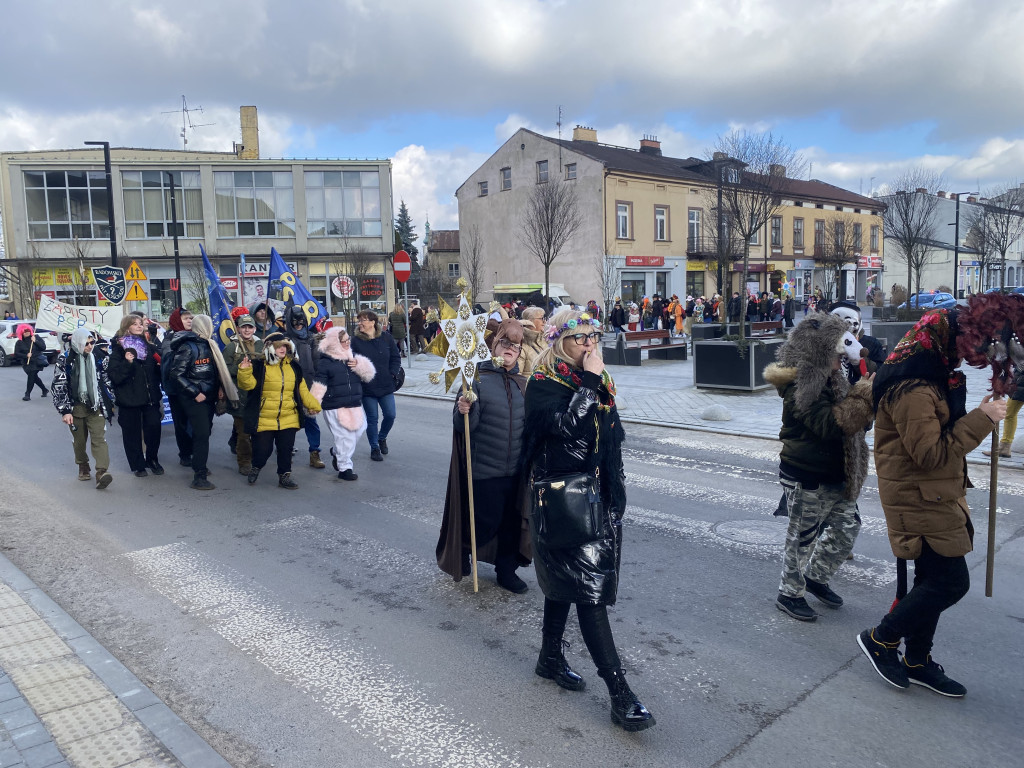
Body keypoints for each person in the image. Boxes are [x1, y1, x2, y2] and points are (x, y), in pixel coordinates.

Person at [857, 310, 1006, 697]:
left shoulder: (931, 376)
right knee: (950, 582)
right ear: (943, 341)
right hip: (918, 496)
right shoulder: (913, 389)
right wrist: (983, 419)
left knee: (931, 581)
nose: (967, 352)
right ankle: (881, 638)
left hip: (933, 494)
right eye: (964, 344)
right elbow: (929, 454)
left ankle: (917, 660)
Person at [522, 308, 655, 732]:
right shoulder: (543, 384)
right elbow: (563, 428)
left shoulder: (597, 385)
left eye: (593, 338)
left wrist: (617, 494)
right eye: (581, 339)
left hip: (594, 497)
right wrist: (591, 382)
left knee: (567, 582)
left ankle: (548, 658)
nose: (590, 346)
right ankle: (620, 694)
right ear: (561, 342)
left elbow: (610, 441)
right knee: (590, 591)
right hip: (563, 500)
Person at [763, 314, 874, 621]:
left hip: (838, 473)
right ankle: (790, 593)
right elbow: (830, 425)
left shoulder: (833, 377)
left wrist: (865, 396)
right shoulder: (802, 386)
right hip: (808, 474)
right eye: (838, 355)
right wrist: (864, 395)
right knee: (803, 536)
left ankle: (817, 577)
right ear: (821, 353)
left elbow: (857, 421)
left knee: (847, 529)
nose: (843, 360)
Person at [437, 320, 531, 592]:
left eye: (516, 345)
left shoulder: (523, 383)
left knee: (512, 525)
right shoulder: (474, 378)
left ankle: (506, 571)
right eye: (505, 343)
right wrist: (464, 408)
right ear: (494, 344)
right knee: (481, 523)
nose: (510, 349)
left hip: (515, 471)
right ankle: (463, 551)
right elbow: (463, 427)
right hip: (484, 470)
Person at [237, 332, 321, 490]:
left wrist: (313, 404)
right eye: (279, 346)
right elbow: (247, 386)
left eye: (285, 346)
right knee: (263, 450)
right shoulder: (259, 365)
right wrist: (244, 371)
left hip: (289, 417)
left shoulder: (294, 366)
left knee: (285, 449)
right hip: (264, 417)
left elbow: (302, 389)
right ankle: (256, 467)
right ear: (269, 347)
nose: (283, 349)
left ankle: (284, 476)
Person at [168, 314, 237, 491]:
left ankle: (200, 465)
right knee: (202, 434)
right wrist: (194, 392)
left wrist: (220, 387)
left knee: (204, 433)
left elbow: (215, 371)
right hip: (195, 398)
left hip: (208, 396)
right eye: (208, 325)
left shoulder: (209, 344)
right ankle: (199, 475)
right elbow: (176, 374)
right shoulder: (188, 347)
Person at [51, 329, 115, 488]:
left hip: (95, 406)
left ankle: (101, 472)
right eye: (85, 343)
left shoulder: (99, 357)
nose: (89, 346)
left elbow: (107, 378)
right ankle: (83, 465)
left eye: (92, 342)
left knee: (99, 439)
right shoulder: (65, 359)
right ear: (77, 343)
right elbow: (59, 385)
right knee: (79, 441)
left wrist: (111, 400)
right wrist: (65, 411)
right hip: (75, 407)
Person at [311, 326, 375, 481]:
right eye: (344, 341)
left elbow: (369, 376)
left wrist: (359, 365)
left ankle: (336, 452)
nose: (347, 343)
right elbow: (319, 384)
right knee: (343, 437)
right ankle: (344, 468)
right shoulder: (325, 362)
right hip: (334, 405)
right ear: (335, 343)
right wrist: (313, 404)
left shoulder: (352, 358)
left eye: (348, 340)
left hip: (354, 403)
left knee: (359, 430)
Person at [106, 314, 163, 477]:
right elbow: (115, 376)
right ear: (127, 327)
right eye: (135, 324)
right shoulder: (119, 349)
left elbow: (156, 371)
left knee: (154, 429)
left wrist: (160, 367)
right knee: (132, 434)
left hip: (150, 398)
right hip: (129, 399)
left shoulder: (149, 347)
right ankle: (138, 465)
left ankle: (152, 459)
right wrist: (127, 363)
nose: (139, 326)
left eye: (140, 323)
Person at [351, 310, 401, 461]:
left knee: (390, 415)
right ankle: (375, 448)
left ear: (373, 322)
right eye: (359, 320)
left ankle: (382, 437)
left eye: (363, 320)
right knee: (372, 418)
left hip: (386, 384)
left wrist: (392, 373)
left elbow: (395, 357)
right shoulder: (355, 341)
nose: (360, 323)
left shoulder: (386, 337)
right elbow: (350, 362)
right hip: (367, 387)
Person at [283, 306, 325, 469]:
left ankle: (314, 453)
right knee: (289, 423)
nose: (298, 325)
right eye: (295, 322)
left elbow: (318, 363)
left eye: (301, 322)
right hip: (289, 388)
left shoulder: (311, 339)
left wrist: (318, 386)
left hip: (308, 387)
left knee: (311, 421)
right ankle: (286, 451)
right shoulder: (285, 340)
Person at [222, 314, 264, 475]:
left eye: (250, 327)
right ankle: (244, 462)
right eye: (244, 327)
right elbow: (224, 369)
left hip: (257, 395)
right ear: (238, 328)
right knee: (244, 433)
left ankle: (255, 456)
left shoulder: (261, 344)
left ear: (254, 328)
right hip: (240, 395)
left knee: (258, 431)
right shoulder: (232, 347)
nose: (247, 330)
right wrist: (242, 368)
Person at [161, 307, 195, 466]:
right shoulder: (169, 339)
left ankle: (195, 449)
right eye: (186, 319)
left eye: (191, 318)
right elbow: (170, 362)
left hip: (196, 388)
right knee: (181, 423)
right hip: (177, 390)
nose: (190, 321)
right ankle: (185, 453)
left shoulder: (196, 337)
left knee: (196, 422)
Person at [830, 301, 887, 384]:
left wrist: (859, 358)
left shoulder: (871, 344)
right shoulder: (822, 344)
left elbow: (883, 373)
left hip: (862, 394)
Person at [984, 365, 1023, 458]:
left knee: (1009, 413)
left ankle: (1004, 447)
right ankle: (1004, 447)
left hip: (1021, 379)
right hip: (1020, 381)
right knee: (1009, 413)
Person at [13, 324, 48, 401]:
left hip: (36, 361)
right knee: (34, 377)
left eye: (28, 330)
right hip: (26, 363)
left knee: (32, 375)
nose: (27, 332)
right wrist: (26, 355)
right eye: (25, 331)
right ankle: (44, 389)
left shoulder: (36, 337)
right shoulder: (19, 342)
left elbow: (43, 347)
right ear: (21, 332)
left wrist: (35, 341)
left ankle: (27, 394)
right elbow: (16, 354)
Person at [518, 306, 547, 377]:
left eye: (544, 318)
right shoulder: (521, 343)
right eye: (541, 318)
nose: (544, 321)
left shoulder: (545, 340)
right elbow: (518, 376)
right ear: (529, 321)